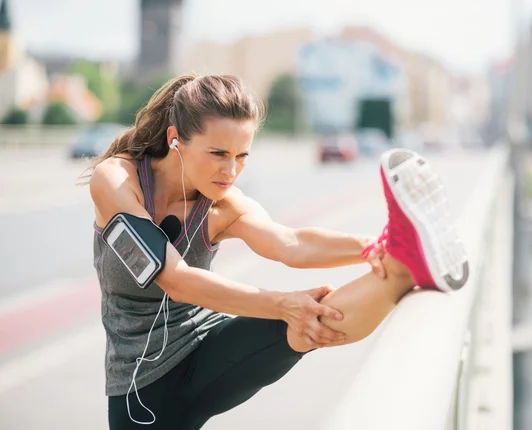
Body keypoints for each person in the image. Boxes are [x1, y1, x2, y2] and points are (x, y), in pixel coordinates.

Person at [85, 73, 469, 430]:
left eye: (242, 156)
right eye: (218, 154)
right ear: (175, 138)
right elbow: (176, 280)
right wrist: (282, 302)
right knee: (295, 312)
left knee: (308, 325)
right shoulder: (118, 180)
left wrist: (374, 246)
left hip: (205, 349)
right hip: (141, 389)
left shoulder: (222, 205)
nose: (231, 171)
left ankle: (405, 265)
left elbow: (291, 243)